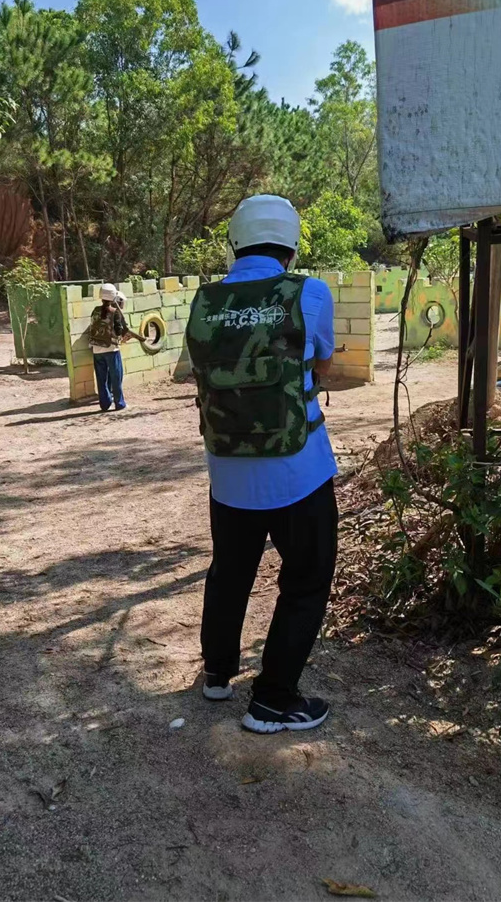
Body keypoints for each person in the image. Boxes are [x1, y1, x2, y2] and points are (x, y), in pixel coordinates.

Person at [185, 194, 338, 734]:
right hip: (299, 471)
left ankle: (217, 673)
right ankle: (272, 701)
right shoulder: (309, 293)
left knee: (229, 571)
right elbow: (323, 363)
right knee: (306, 580)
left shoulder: (205, 301)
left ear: (235, 243)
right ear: (290, 246)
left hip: (227, 471)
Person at [87, 284, 145, 412]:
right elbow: (119, 331)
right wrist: (124, 335)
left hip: (96, 349)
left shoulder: (95, 310)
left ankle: (105, 404)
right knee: (116, 378)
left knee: (101, 379)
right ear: (113, 297)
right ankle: (119, 403)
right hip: (111, 350)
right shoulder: (115, 312)